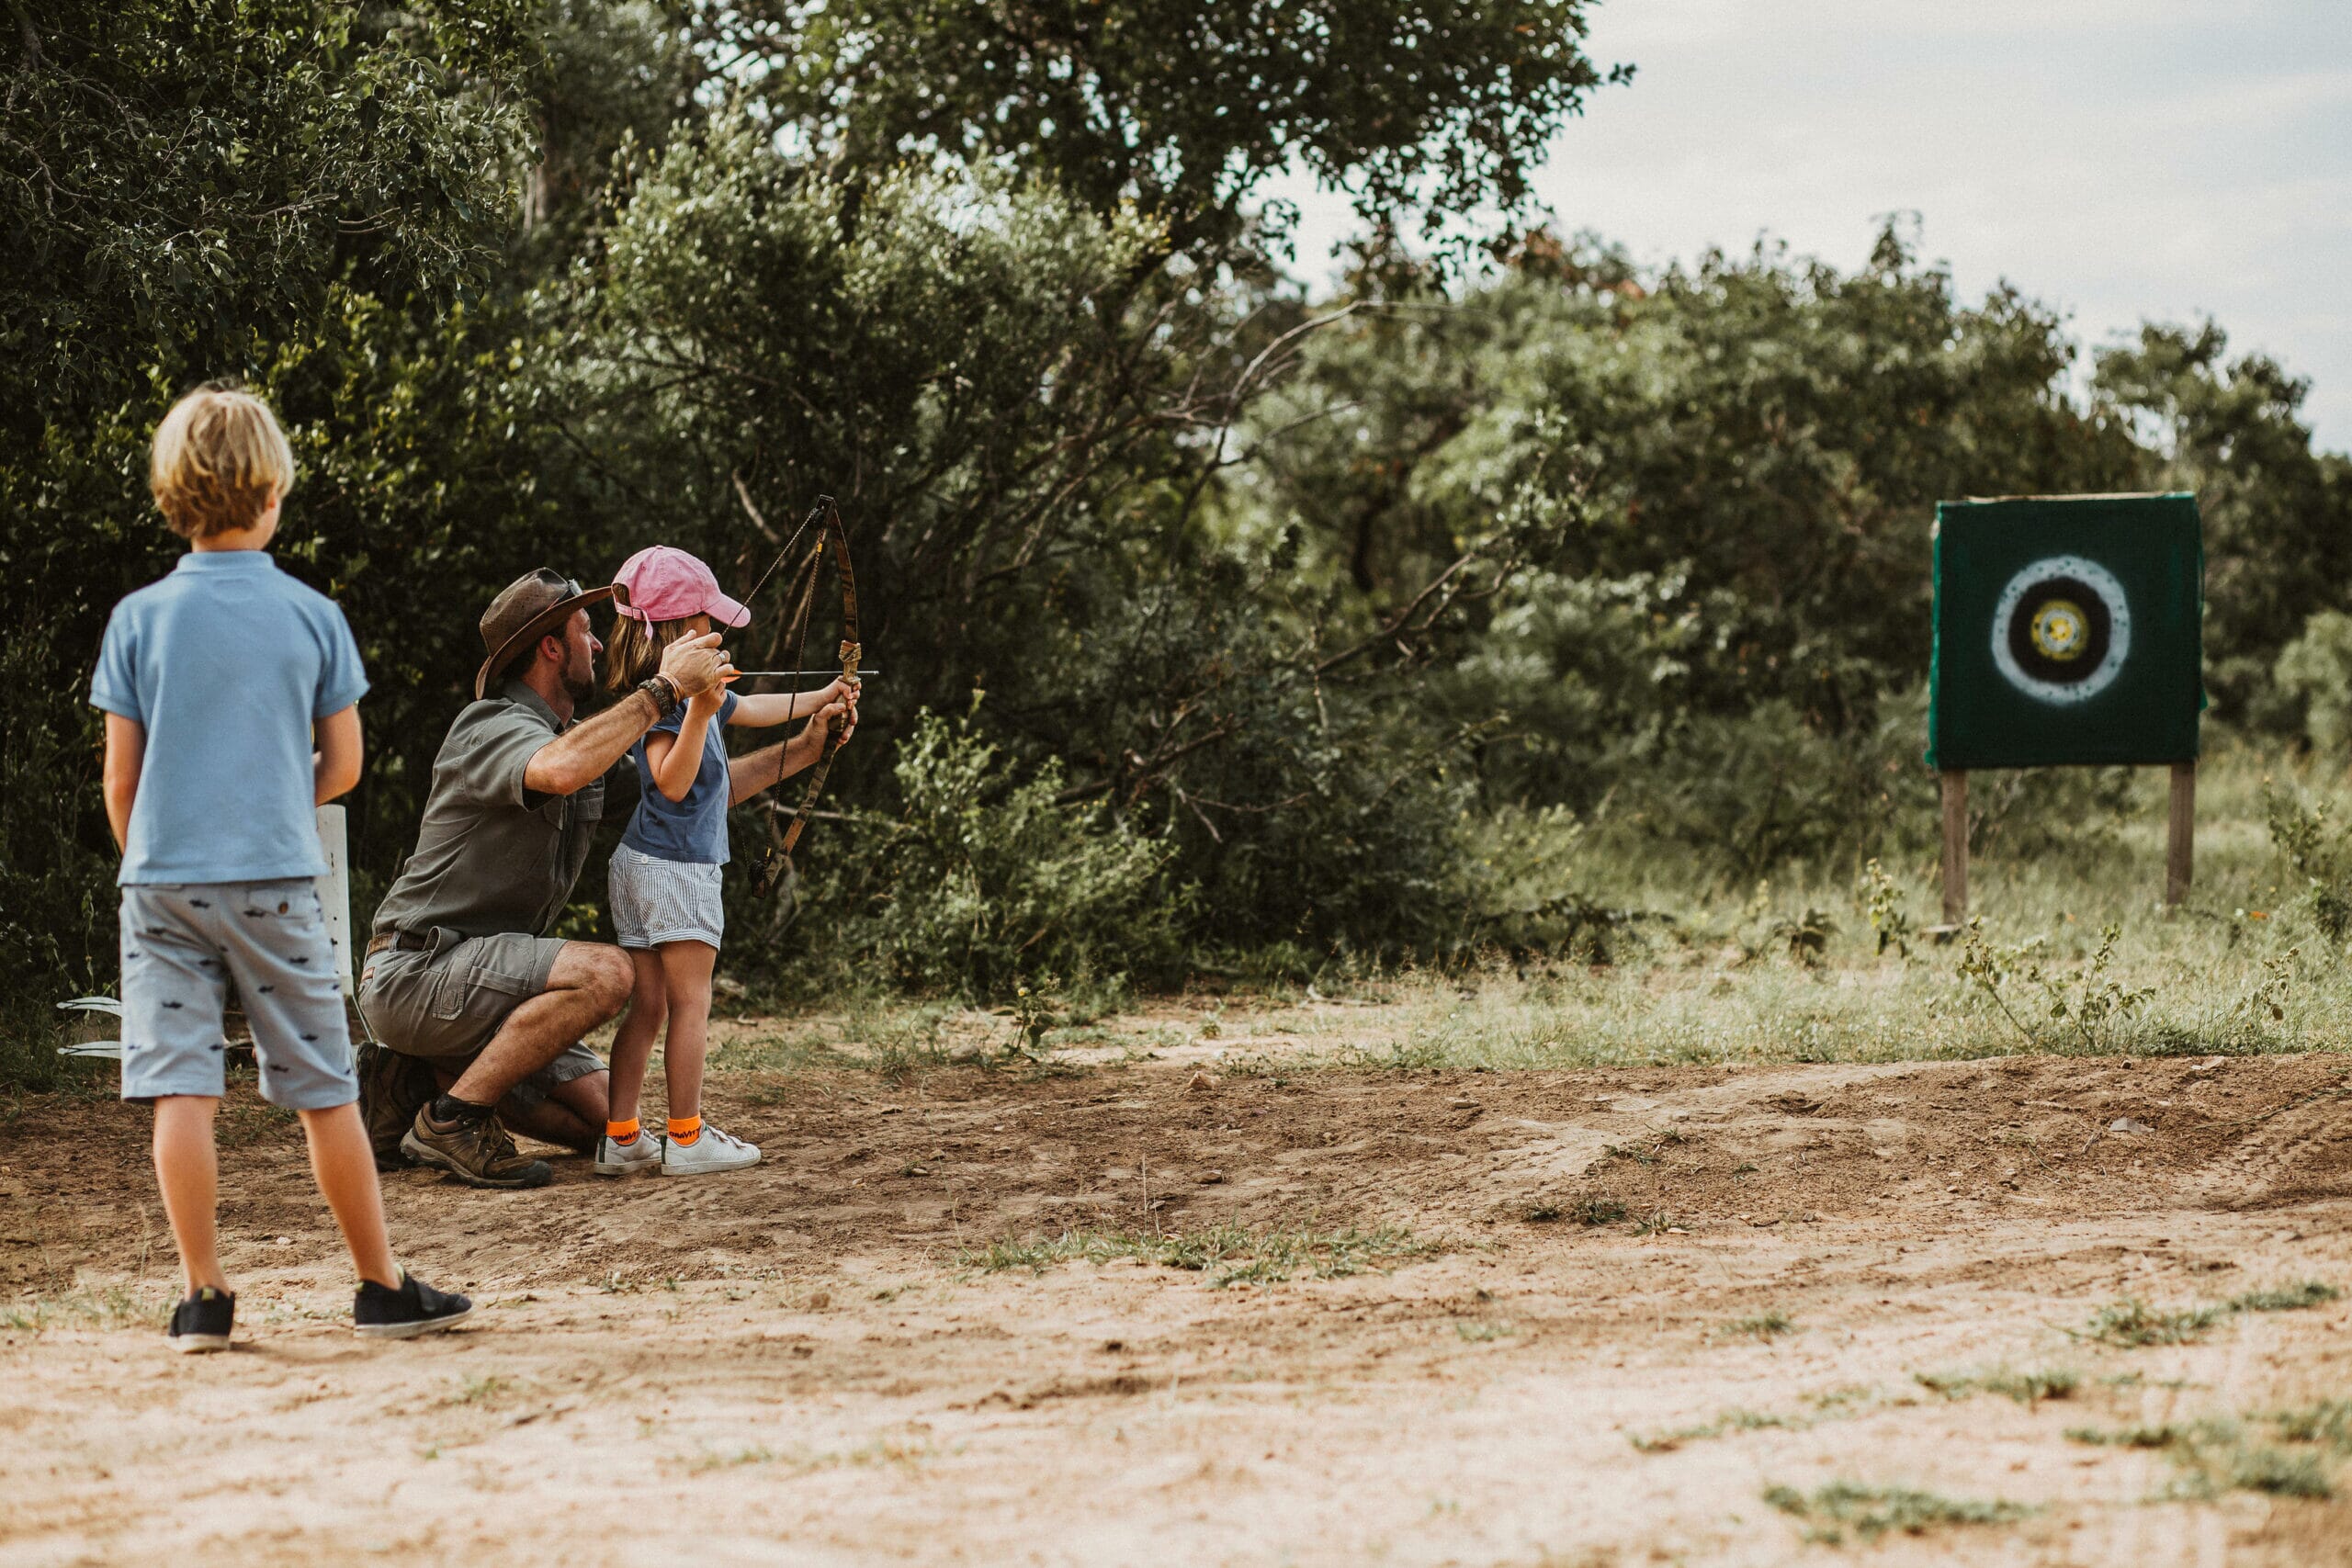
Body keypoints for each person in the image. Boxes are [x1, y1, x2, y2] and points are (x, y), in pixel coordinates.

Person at [93, 384, 471, 1351]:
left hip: (161, 884)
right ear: (272, 494)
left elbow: (122, 781)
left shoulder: (138, 618)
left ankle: (201, 1299)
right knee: (321, 1089)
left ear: (173, 491)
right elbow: (340, 767)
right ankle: (380, 1287)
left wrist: (154, 863)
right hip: (274, 881)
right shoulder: (311, 615)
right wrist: (265, 792)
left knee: (183, 1090)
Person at [356, 568, 856, 1190]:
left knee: (606, 1121)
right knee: (608, 973)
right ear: (550, 647)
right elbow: (559, 770)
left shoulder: (578, 741)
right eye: (586, 631)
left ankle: (418, 1081)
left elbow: (687, 793)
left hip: (489, 988)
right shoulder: (490, 725)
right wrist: (667, 687)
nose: (599, 645)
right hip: (417, 971)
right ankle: (454, 1116)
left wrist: (805, 749)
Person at [594, 547, 859, 1178]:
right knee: (691, 1002)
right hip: (673, 869)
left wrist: (825, 693)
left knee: (653, 1005)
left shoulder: (700, 693)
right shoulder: (666, 700)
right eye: (705, 625)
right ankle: (685, 1136)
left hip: (642, 863)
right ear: (676, 630)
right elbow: (673, 782)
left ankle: (622, 1136)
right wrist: (701, 712)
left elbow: (760, 707)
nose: (716, 637)